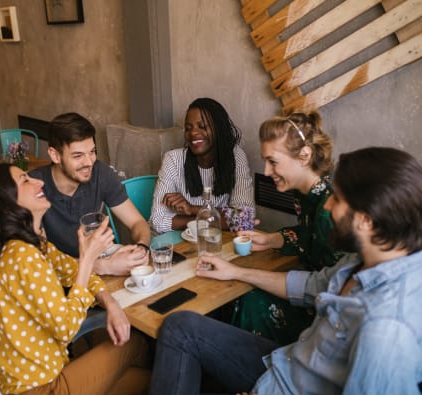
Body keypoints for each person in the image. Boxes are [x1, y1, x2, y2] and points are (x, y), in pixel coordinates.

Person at [149, 147, 422, 395]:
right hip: (285, 364)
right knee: (179, 326)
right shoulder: (362, 260)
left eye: (337, 199)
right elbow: (309, 285)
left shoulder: (386, 330)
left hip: (285, 391)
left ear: (366, 220)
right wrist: (236, 272)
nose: (327, 206)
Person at [0, 163, 150, 395]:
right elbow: (66, 328)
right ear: (7, 204)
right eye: (25, 181)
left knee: (152, 382)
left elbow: (71, 270)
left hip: (50, 375)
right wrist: (87, 258)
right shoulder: (22, 257)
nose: (39, 182)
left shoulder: (32, 245)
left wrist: (110, 303)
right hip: (44, 390)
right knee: (135, 344)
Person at [231, 111, 343, 344]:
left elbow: (333, 286)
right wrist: (272, 239)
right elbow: (309, 236)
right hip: (312, 290)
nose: (265, 172)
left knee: (248, 299)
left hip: (328, 320)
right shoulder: (305, 193)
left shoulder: (330, 209)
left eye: (272, 161)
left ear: (304, 155)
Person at [29, 112, 151, 276]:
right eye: (78, 156)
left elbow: (137, 222)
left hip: (102, 261)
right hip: (60, 278)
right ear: (55, 155)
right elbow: (38, 263)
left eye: (92, 152)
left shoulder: (100, 173)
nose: (89, 162)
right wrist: (103, 266)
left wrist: (141, 248)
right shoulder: (34, 188)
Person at [150, 98, 254, 233]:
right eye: (188, 128)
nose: (193, 133)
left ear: (219, 129)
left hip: (214, 242)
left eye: (202, 126)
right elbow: (157, 221)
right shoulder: (173, 159)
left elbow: (244, 219)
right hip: (176, 242)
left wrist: (191, 209)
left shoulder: (235, 156)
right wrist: (214, 219)